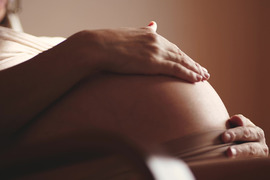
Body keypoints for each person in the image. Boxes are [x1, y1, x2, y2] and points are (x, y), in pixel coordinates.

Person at [0, 0, 268, 179]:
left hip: (201, 161)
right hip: (151, 168)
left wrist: (234, 135)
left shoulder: (39, 44)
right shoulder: (79, 47)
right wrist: (89, 47)